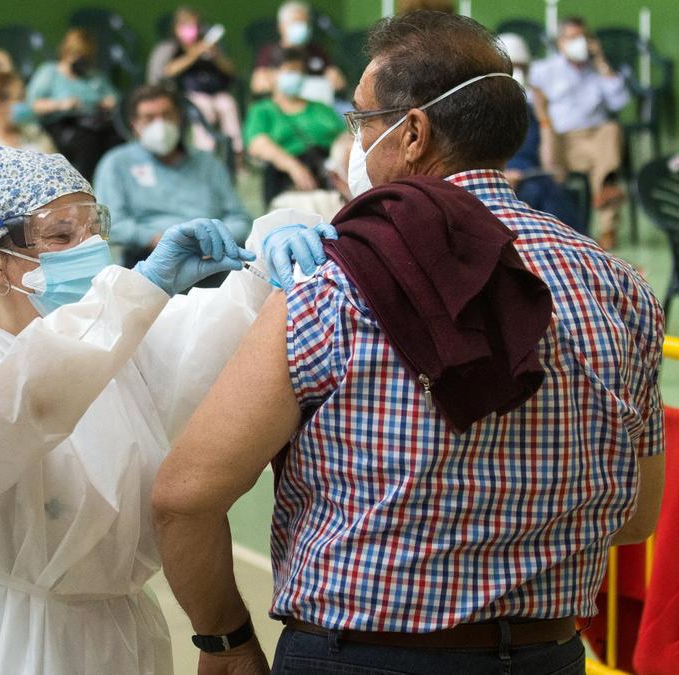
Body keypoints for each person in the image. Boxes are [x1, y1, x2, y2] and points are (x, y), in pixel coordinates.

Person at [153, 12, 664, 675]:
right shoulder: (619, 285)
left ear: (414, 132)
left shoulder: (335, 282)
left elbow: (185, 496)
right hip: (547, 654)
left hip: (360, 656)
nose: (355, 141)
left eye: (361, 121)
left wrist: (228, 642)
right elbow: (636, 515)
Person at [0, 145, 333, 674]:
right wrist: (139, 292)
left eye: (94, 228)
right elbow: (22, 403)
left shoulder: (119, 341)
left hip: (114, 632)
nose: (90, 248)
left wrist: (266, 260)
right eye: (61, 235)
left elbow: (211, 338)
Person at [96, 84, 250, 269]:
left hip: (212, 258)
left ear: (179, 117)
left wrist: (214, 239)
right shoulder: (117, 163)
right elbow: (110, 224)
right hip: (148, 259)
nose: (159, 124)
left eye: (167, 115)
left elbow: (240, 218)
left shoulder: (207, 163)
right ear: (134, 124)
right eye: (149, 118)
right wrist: (157, 239)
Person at [529, 16, 629, 250]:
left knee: (611, 130)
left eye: (583, 37)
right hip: (562, 141)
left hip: (595, 140)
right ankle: (603, 187)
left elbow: (619, 102)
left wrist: (602, 62)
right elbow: (526, 100)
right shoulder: (545, 70)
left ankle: (607, 227)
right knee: (607, 168)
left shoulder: (597, 70)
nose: (579, 43)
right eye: (572, 38)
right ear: (559, 42)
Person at [499, 32, 584, 234]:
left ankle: (577, 253)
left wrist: (544, 116)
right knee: (537, 194)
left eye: (522, 68)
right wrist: (501, 176)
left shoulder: (535, 112)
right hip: (501, 180)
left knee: (550, 190)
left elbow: (552, 167)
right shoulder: (484, 112)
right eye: (512, 68)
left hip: (534, 178)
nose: (517, 74)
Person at [244, 48, 345, 205]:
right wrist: (293, 166)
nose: (296, 76)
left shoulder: (321, 108)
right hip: (286, 185)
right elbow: (257, 143)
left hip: (329, 182)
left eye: (300, 71)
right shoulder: (262, 110)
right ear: (272, 74)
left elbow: (344, 137)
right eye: (290, 71)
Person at [26, 28, 120, 180]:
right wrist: (61, 105)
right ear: (66, 52)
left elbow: (115, 99)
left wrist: (107, 102)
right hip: (63, 125)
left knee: (115, 137)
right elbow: (33, 105)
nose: (81, 59)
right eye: (77, 54)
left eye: (85, 56)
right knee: (87, 142)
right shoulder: (50, 72)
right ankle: (81, 185)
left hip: (95, 123)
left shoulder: (95, 77)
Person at [147, 7, 241, 154]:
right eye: (187, 25)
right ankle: (205, 151)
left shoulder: (210, 46)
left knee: (228, 104)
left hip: (216, 93)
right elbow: (165, 72)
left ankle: (235, 152)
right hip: (186, 96)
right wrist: (194, 54)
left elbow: (231, 72)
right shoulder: (169, 48)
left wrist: (216, 56)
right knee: (203, 107)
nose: (194, 29)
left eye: (196, 25)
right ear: (176, 28)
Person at [251, 1, 345, 98]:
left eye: (305, 22)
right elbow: (258, 85)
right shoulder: (268, 52)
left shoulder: (317, 50)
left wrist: (334, 78)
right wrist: (278, 80)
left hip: (317, 105)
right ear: (280, 27)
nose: (302, 26)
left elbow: (338, 82)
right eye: (296, 22)